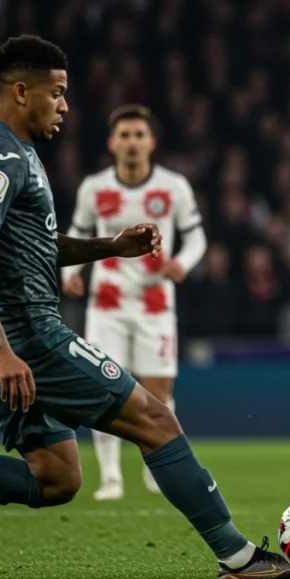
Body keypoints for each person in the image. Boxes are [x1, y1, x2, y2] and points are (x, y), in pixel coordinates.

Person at [0, 35, 290, 579]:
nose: (64, 106)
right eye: (56, 93)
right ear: (19, 90)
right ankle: (238, 556)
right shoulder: (1, 156)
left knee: (56, 480)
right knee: (156, 420)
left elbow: (32, 248)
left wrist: (109, 247)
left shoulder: (15, 152)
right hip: (27, 336)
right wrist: (2, 349)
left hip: (8, 336)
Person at [62, 104, 206, 500]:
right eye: (124, 135)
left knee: (159, 391)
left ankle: (156, 468)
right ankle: (110, 477)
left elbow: (196, 236)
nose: (131, 143)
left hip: (155, 303)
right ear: (112, 143)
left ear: (151, 142)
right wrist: (67, 273)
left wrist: (183, 262)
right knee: (103, 387)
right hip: (106, 303)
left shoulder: (173, 186)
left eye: (138, 135)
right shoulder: (94, 187)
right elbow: (76, 230)